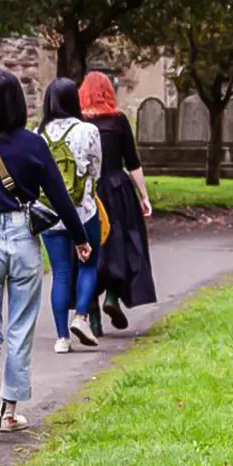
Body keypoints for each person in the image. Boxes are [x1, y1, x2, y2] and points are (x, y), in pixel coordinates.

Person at [0, 69, 88, 436]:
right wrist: (79, 237)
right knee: (21, 323)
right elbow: (58, 195)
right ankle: (10, 410)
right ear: (17, 104)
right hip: (23, 235)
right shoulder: (34, 144)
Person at [79, 72, 156, 332]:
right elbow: (132, 162)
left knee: (87, 248)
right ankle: (112, 297)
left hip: (88, 190)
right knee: (119, 243)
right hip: (117, 188)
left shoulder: (78, 122)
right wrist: (144, 196)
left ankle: (95, 319)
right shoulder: (118, 120)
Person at [37, 78, 104, 354]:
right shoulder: (88, 130)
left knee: (60, 272)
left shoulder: (38, 133)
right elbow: (97, 168)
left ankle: (62, 337)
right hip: (83, 209)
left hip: (50, 212)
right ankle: (82, 317)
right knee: (89, 264)